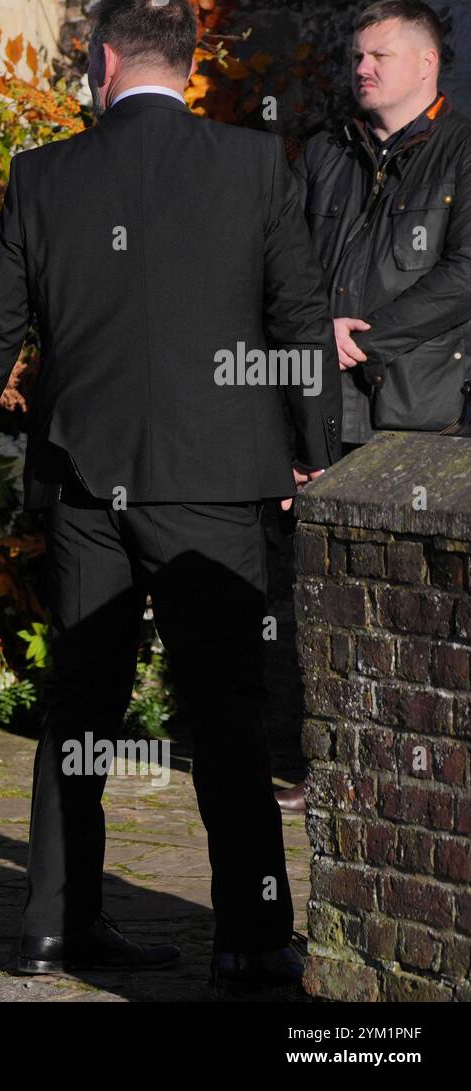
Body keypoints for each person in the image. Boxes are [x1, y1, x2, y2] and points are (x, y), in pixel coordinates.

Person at [0, 0, 341, 987]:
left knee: (79, 709)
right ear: (187, 68)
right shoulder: (250, 166)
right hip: (214, 479)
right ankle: (250, 935)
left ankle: (50, 926)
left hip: (85, 482)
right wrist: (312, 448)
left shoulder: (43, 174)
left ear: (103, 60)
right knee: (228, 713)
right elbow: (299, 316)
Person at [277, 0, 471, 815]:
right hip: (322, 403)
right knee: (312, 582)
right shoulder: (324, 152)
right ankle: (313, 757)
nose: (362, 67)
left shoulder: (462, 154)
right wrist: (314, 332)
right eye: (357, 55)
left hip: (420, 407)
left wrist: (372, 335)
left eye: (379, 55)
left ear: (427, 65)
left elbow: (465, 273)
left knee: (416, 588)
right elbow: (278, 258)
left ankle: (415, 752)